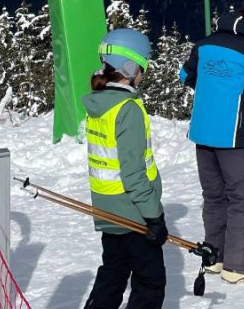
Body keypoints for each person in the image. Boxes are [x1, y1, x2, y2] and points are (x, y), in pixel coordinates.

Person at [179, 3, 244, 284]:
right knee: (240, 199)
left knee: (213, 196)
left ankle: (214, 256)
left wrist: (209, 88)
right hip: (232, 137)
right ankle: (237, 265)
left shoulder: (203, 45)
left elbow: (185, 76)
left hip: (201, 134)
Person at [82, 28, 167, 309]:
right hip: (133, 212)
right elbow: (133, 173)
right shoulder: (127, 109)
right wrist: (153, 216)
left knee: (113, 274)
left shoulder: (100, 104)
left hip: (108, 208)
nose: (144, 73)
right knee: (150, 282)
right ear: (130, 68)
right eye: (143, 67)